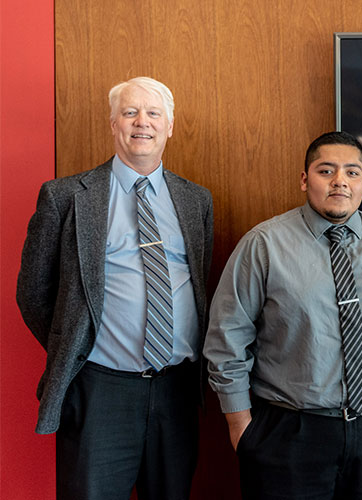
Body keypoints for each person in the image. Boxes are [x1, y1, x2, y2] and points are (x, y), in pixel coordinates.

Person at [203, 131, 362, 500]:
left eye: (351, 172)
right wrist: (240, 426)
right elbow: (227, 336)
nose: (339, 181)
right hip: (287, 434)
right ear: (304, 179)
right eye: (325, 171)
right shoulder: (264, 244)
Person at [16, 77, 213, 500]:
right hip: (100, 390)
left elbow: (200, 284)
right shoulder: (66, 196)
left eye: (153, 113)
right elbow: (33, 291)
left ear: (170, 126)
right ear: (113, 124)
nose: (142, 122)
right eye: (130, 112)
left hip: (176, 391)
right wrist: (73, 344)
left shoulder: (196, 200)